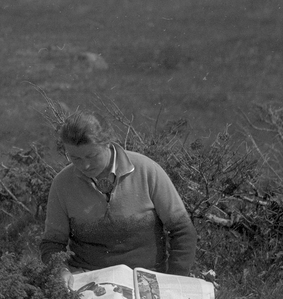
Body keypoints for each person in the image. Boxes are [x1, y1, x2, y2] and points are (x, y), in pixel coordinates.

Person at [41, 111, 197, 277]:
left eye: (91, 156)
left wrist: (175, 279)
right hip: (87, 279)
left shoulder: (147, 170)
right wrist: (61, 272)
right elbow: (52, 244)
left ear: (108, 143)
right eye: (75, 158)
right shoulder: (62, 183)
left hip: (146, 278)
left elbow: (183, 230)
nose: (85, 166)